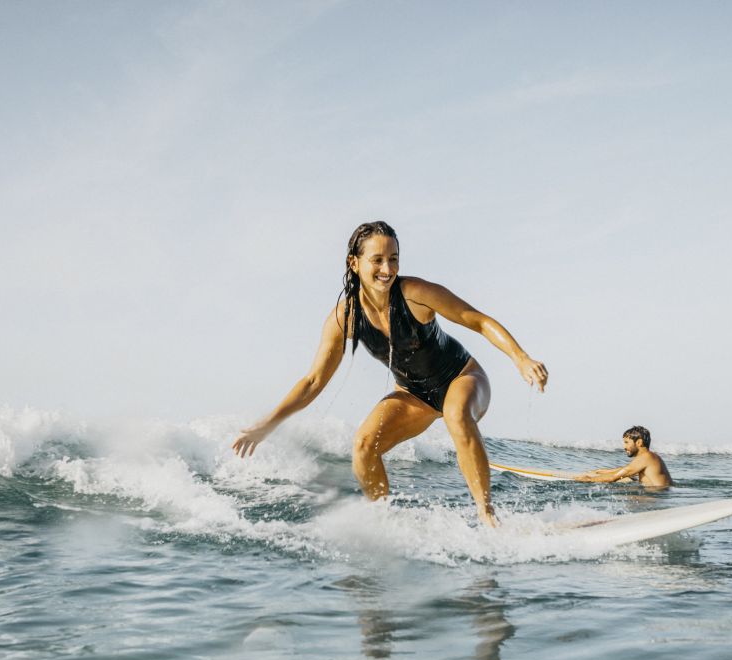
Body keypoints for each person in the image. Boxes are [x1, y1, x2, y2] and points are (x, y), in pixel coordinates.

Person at [232, 220, 548, 527]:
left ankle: (487, 515)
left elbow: (477, 320)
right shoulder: (345, 317)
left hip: (462, 378)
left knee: (455, 414)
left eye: (393, 259)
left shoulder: (414, 293)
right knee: (364, 445)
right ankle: (384, 522)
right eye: (377, 260)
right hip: (413, 396)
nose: (387, 269)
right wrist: (267, 425)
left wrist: (521, 358)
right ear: (354, 263)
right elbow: (313, 382)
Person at [575, 426, 673, 487]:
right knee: (629, 480)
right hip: (660, 495)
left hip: (656, 498)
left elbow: (613, 478)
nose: (624, 447)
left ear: (639, 442)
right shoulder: (651, 456)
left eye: (627, 442)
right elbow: (626, 470)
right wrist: (599, 471)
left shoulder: (645, 457)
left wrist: (588, 479)